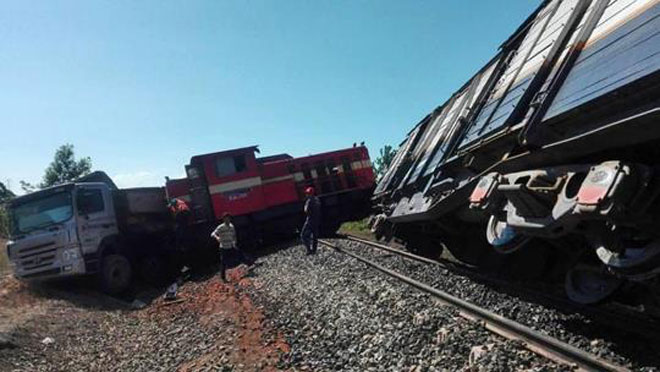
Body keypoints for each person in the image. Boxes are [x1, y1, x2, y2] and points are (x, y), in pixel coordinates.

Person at [211, 213, 250, 282]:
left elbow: (234, 235)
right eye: (226, 218)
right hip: (223, 247)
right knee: (223, 262)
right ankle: (223, 278)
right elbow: (212, 234)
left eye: (228, 218)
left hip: (231, 246)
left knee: (240, 254)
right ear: (223, 219)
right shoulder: (221, 227)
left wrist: (234, 242)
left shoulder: (232, 226)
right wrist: (217, 237)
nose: (227, 220)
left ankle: (250, 263)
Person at [301, 186, 321, 255]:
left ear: (309, 194)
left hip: (309, 221)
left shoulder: (309, 201)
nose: (306, 195)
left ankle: (309, 250)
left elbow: (306, 211)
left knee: (303, 235)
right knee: (315, 236)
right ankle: (314, 250)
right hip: (316, 220)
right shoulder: (317, 200)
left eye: (307, 193)